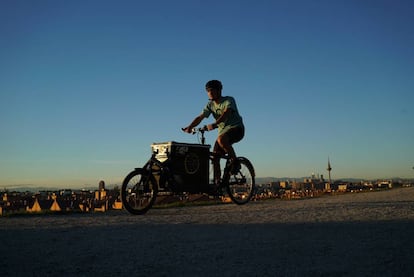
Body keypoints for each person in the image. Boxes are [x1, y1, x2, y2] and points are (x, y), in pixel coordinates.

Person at [183, 80, 245, 187]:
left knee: (221, 140)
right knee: (215, 156)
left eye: (212, 90)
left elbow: (226, 113)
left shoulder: (228, 100)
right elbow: (200, 117)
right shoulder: (210, 105)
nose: (210, 93)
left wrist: (215, 124)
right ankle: (218, 183)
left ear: (219, 91)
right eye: (208, 91)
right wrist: (190, 127)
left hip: (237, 129)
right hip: (223, 133)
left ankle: (235, 163)